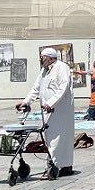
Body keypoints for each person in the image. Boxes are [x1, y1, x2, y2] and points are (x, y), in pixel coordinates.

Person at [20, 47, 75, 176]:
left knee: (61, 138)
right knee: (50, 138)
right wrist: (26, 102)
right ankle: (55, 165)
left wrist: (51, 103)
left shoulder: (62, 67)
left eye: (43, 57)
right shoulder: (44, 71)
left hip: (61, 111)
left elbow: (63, 87)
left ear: (51, 58)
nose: (40, 59)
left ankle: (61, 166)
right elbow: (35, 88)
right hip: (48, 111)